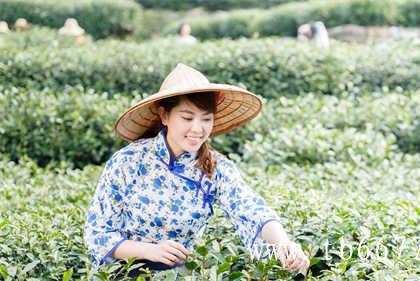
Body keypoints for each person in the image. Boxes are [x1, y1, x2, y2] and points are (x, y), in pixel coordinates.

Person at [83, 63, 310, 279]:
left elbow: (250, 208)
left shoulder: (216, 168)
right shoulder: (128, 161)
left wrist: (283, 243)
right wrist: (149, 251)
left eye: (206, 119)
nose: (197, 129)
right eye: (187, 118)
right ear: (165, 116)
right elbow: (97, 232)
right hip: (123, 273)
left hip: (180, 275)